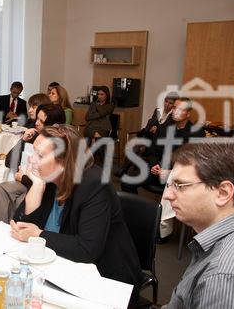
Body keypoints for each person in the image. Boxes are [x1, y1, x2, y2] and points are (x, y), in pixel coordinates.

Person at [10, 125, 142, 297]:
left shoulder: (95, 185)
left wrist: (39, 235)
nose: (31, 160)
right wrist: (37, 185)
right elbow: (21, 226)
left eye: (40, 156)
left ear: (64, 161)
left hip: (104, 276)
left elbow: (87, 249)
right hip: (59, 266)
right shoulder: (49, 179)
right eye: (33, 152)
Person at [162, 142, 234, 308]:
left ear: (223, 193)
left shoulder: (222, 278)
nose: (167, 195)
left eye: (180, 185)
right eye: (169, 185)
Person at [0, 104, 65, 224]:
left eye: (41, 121)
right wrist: (23, 140)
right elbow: (9, 161)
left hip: (39, 185)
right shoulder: (35, 136)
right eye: (37, 119)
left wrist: (23, 178)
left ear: (54, 126)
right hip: (27, 181)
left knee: (20, 202)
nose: (36, 123)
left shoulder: (56, 146)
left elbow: (48, 182)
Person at [121, 97, 205, 195]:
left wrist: (171, 173)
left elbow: (193, 163)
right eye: (174, 108)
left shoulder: (196, 133)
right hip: (158, 169)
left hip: (179, 175)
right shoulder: (164, 128)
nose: (175, 111)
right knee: (126, 182)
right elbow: (153, 151)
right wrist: (154, 165)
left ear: (188, 114)